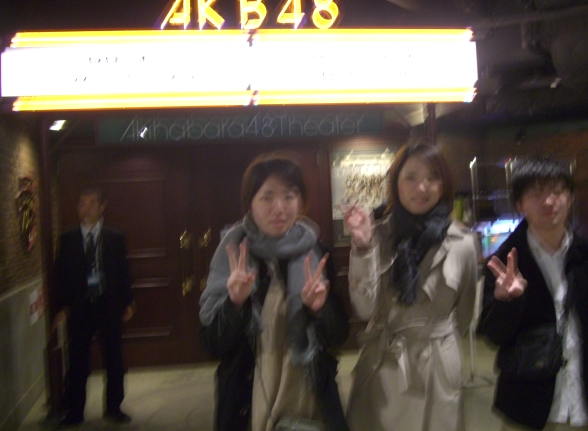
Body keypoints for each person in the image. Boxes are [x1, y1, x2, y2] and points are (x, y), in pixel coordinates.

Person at [478, 156, 588, 431]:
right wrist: (507, 302)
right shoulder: (504, 263)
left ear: (570, 198)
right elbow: (494, 337)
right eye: (536, 194)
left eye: (557, 191)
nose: (548, 201)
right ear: (520, 204)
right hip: (528, 410)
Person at [199, 153, 350, 431]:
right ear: (250, 203)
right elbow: (212, 345)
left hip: (308, 396)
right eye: (267, 197)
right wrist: (235, 304)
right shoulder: (233, 255)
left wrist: (320, 309)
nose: (279, 208)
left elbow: (339, 335)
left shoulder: (318, 254)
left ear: (301, 201)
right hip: (249, 401)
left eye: (289, 196)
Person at [343, 140, 478, 431]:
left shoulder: (463, 242)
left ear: (444, 184)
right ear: (396, 184)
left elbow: (464, 316)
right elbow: (364, 310)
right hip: (385, 365)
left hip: (438, 369)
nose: (422, 187)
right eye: (411, 178)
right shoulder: (376, 236)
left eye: (433, 177)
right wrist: (363, 248)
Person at [52, 187, 135, 427]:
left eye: (90, 204)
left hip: (108, 305)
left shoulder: (114, 237)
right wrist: (62, 307)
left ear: (102, 207)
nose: (85, 209)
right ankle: (75, 411)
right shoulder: (67, 239)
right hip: (80, 308)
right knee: (77, 361)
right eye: (81, 204)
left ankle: (114, 408)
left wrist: (128, 302)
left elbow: (122, 272)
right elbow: (60, 276)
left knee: (114, 360)